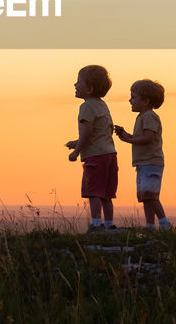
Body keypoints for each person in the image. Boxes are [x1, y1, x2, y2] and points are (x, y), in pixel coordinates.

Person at [65, 64, 119, 232]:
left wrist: (76, 151)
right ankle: (109, 225)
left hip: (95, 156)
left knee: (94, 192)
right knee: (107, 194)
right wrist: (77, 141)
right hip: (110, 154)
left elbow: (88, 131)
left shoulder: (86, 107)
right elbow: (100, 131)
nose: (75, 85)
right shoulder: (102, 105)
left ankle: (96, 225)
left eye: (78, 82)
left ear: (89, 88)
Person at [114, 79, 170, 230]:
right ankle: (150, 226)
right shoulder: (142, 117)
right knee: (146, 197)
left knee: (150, 195)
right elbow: (142, 137)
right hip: (144, 163)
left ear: (145, 101)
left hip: (151, 162)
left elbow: (148, 138)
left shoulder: (149, 116)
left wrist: (128, 139)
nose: (130, 100)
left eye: (133, 97)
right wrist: (126, 135)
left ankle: (164, 223)